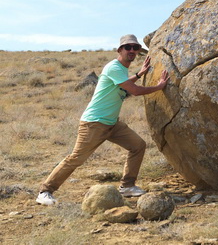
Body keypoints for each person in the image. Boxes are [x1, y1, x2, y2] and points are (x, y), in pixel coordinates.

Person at [36, 34, 169, 206]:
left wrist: (138, 74)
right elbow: (134, 91)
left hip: (112, 124)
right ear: (119, 50)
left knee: (138, 145)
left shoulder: (121, 70)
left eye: (135, 48)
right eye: (127, 47)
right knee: (76, 158)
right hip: (94, 123)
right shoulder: (114, 67)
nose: (132, 51)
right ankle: (45, 191)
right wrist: (159, 87)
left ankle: (127, 186)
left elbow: (123, 85)